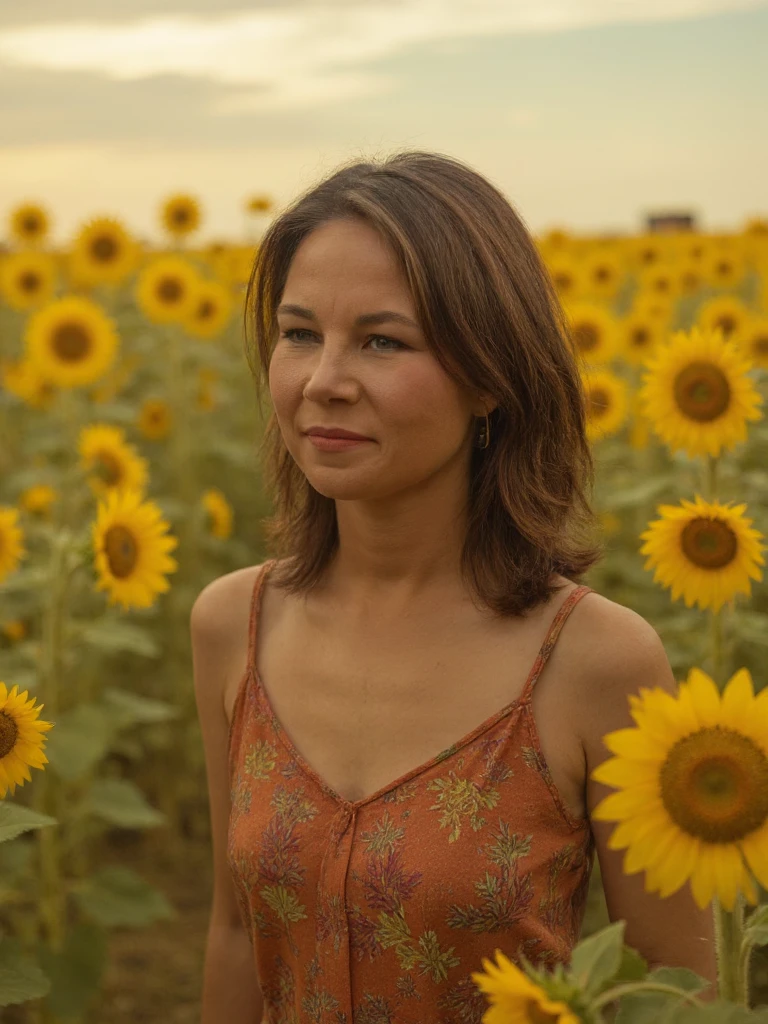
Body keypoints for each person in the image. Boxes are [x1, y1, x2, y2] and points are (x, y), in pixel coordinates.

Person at [191, 150, 716, 1023]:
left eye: (382, 340)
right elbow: (237, 937)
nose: (323, 382)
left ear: (489, 376)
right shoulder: (235, 625)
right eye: (299, 333)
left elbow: (677, 991)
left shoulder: (595, 662)